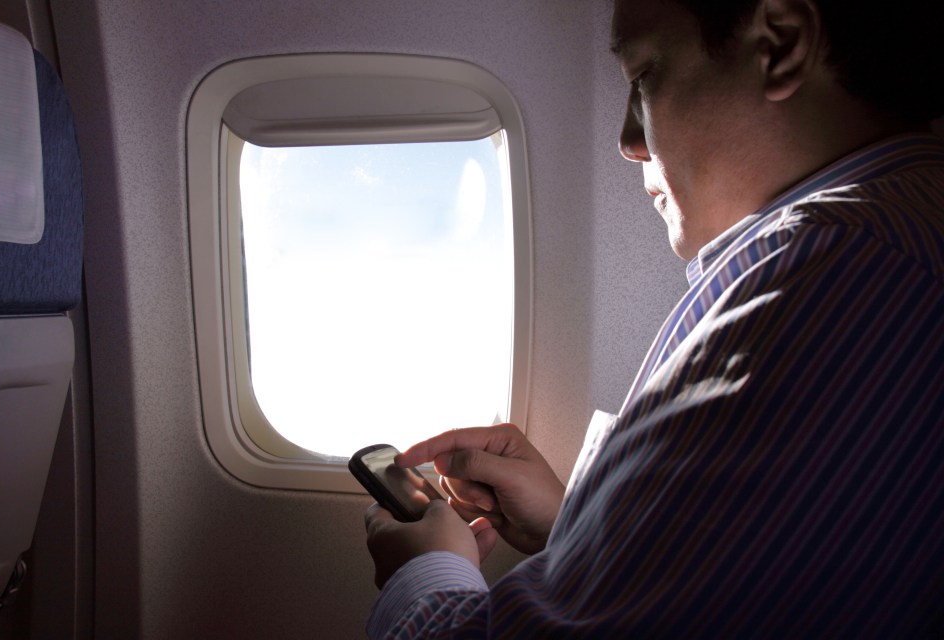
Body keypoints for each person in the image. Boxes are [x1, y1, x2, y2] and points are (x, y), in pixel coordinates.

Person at [363, 0, 944, 635]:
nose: (628, 143)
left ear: (779, 44)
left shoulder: (836, 281)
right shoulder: (891, 233)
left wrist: (427, 571)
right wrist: (576, 525)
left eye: (643, 77)